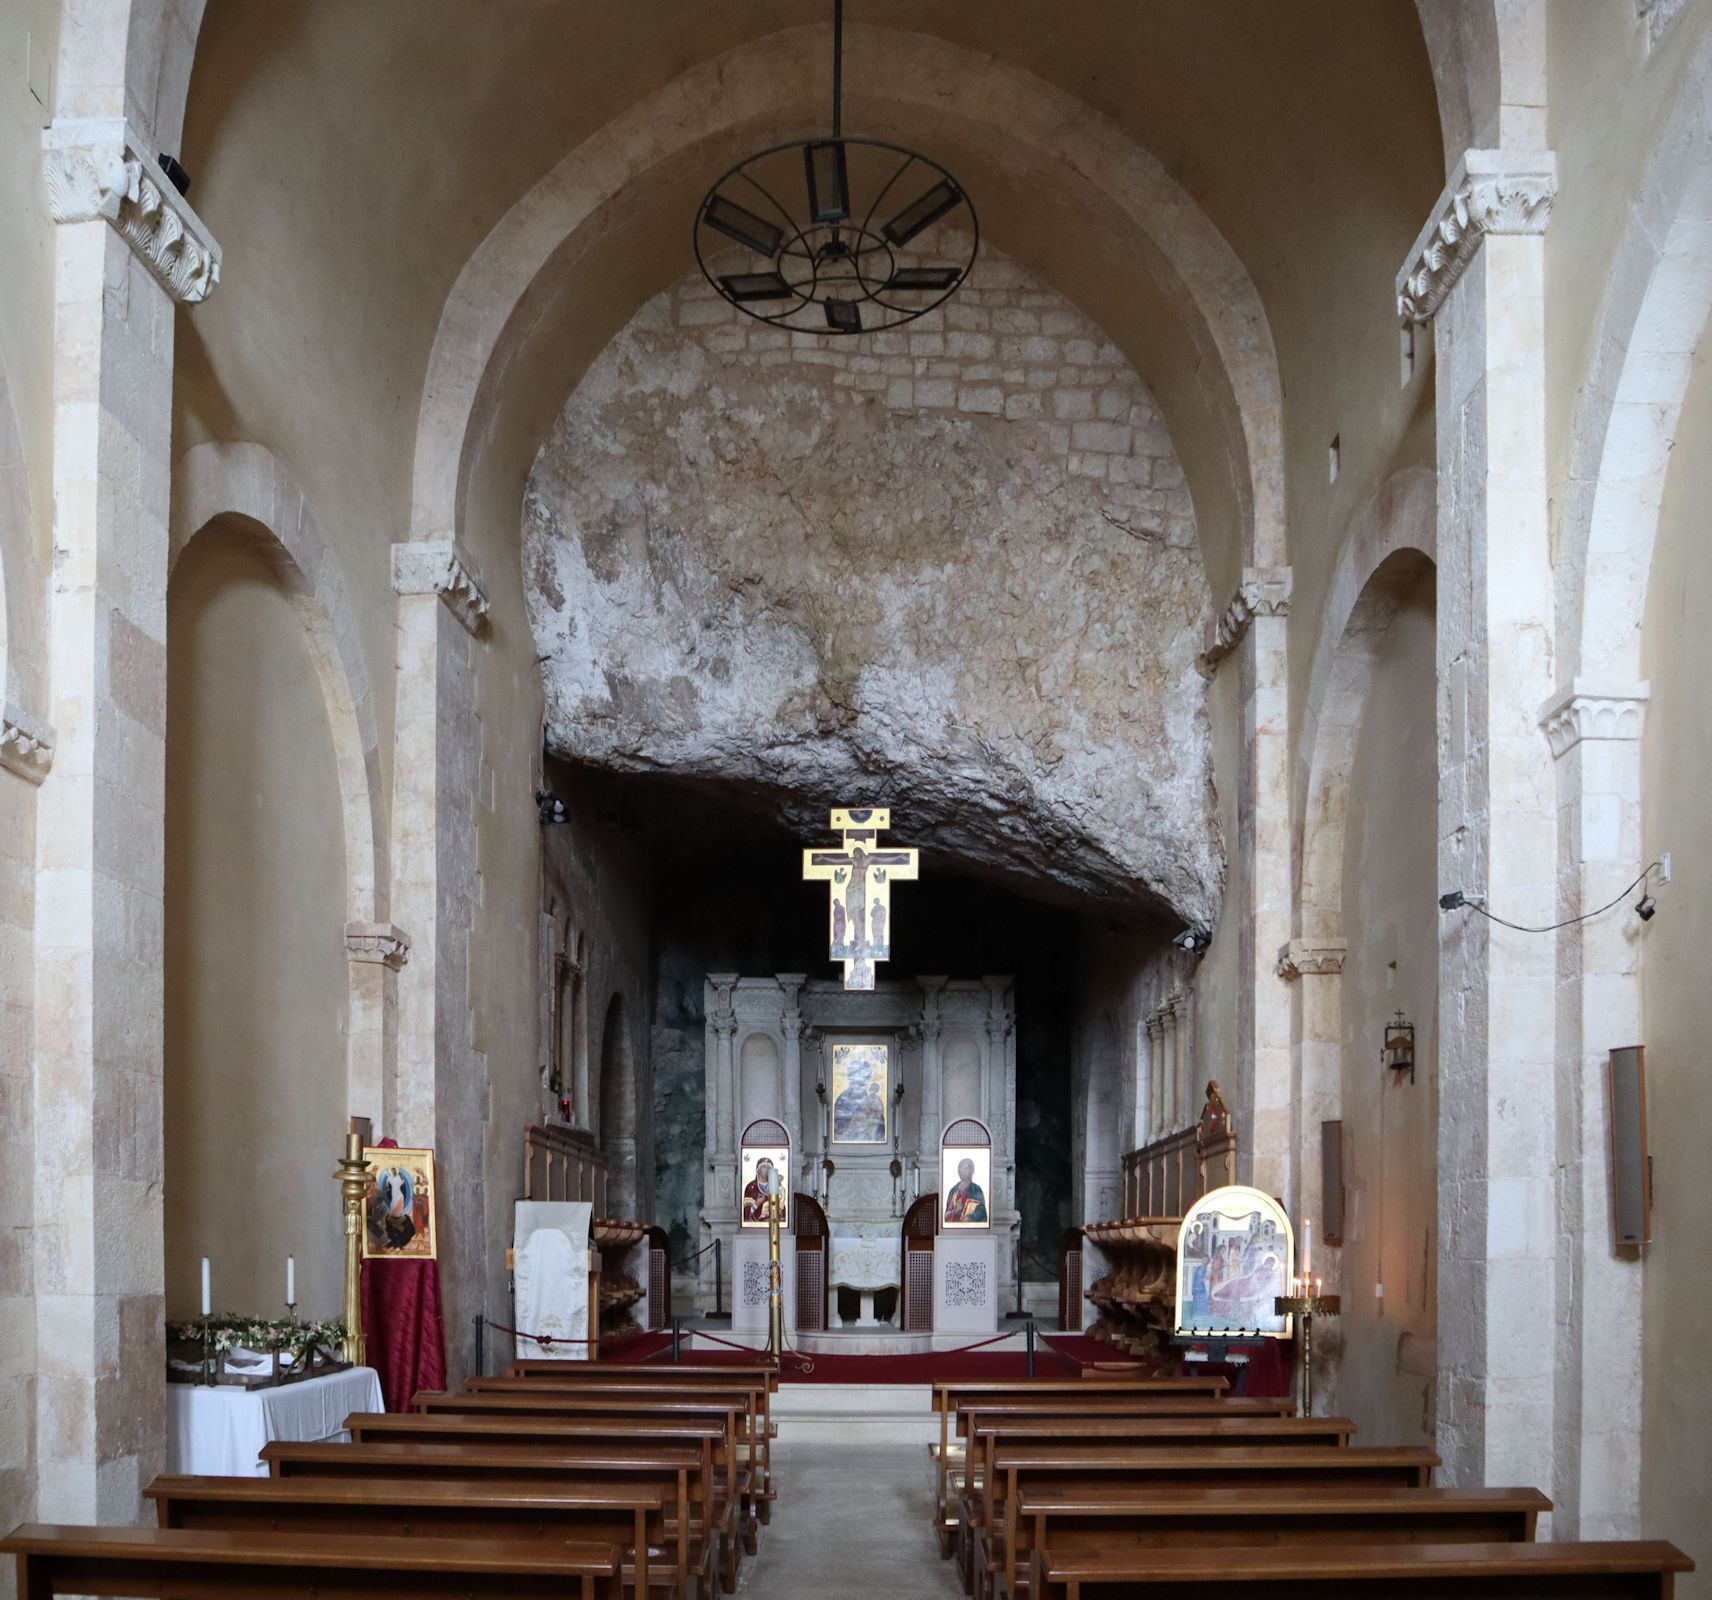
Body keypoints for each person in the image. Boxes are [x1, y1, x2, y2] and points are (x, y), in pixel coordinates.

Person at [944, 1156, 988, 1224]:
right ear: (958, 1171)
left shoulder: (976, 1189)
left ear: (972, 1171)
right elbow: (946, 1216)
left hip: (972, 1229)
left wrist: (970, 1218)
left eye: (966, 1168)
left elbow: (982, 1211)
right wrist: (955, 1210)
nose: (963, 1171)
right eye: (961, 1168)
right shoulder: (953, 1190)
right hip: (955, 1228)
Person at [742, 1156, 779, 1223]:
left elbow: (781, 1208)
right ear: (758, 1170)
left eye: (769, 1168)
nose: (767, 1170)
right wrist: (756, 1204)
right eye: (764, 1167)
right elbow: (745, 1213)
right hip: (754, 1227)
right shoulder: (750, 1187)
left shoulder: (776, 1187)